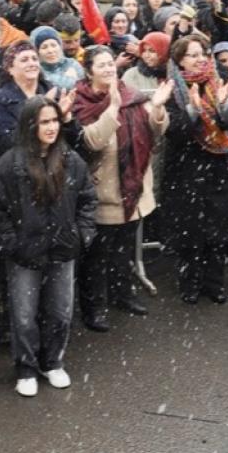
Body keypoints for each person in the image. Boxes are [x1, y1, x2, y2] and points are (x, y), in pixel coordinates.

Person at [0, 96, 96, 397]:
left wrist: (81, 235)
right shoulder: (9, 164)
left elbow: (88, 199)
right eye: (44, 122)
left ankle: (53, 362)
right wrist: (12, 244)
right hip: (25, 254)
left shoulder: (71, 159)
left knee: (61, 312)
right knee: (24, 315)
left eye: (54, 121)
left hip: (62, 250)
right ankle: (25, 367)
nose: (51, 127)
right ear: (30, 125)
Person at [72, 46, 171, 331]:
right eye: (101, 65)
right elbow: (91, 142)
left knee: (124, 248)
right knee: (97, 255)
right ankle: (94, 307)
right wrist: (112, 108)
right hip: (103, 189)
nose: (108, 69)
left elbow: (156, 130)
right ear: (89, 70)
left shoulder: (132, 95)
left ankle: (122, 294)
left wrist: (160, 107)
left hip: (133, 186)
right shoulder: (82, 101)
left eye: (109, 65)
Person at [160, 34, 228, 304]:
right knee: (190, 230)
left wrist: (223, 105)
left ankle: (215, 282)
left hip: (216, 164)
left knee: (217, 228)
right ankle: (190, 282)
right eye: (192, 55)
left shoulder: (220, 82)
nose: (199, 60)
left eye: (202, 54)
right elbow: (174, 131)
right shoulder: (171, 87)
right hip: (185, 167)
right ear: (180, 60)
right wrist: (192, 112)